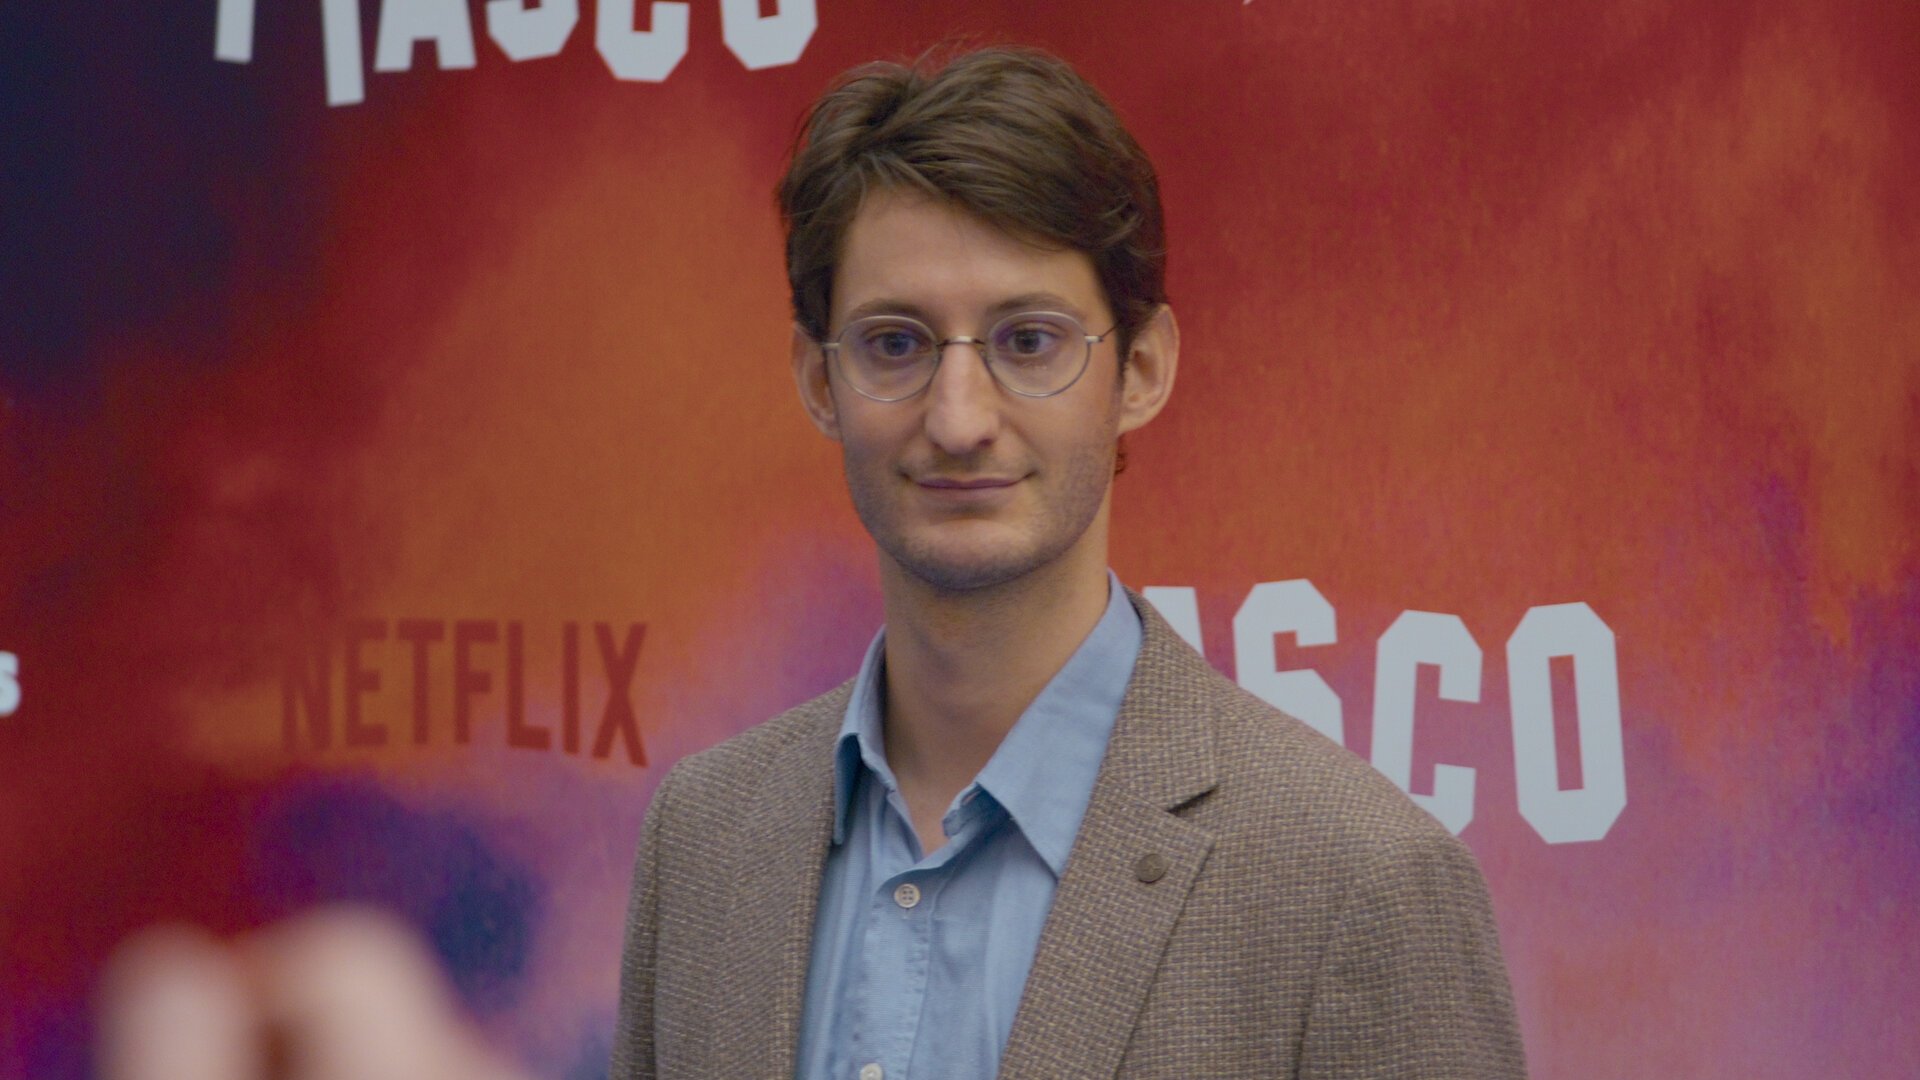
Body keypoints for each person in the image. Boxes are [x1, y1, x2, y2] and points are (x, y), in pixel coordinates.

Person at [611, 45, 1526, 1080]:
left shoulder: (1360, 884)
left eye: (1029, 342)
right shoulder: (703, 842)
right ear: (819, 381)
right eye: (896, 344)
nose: (959, 420)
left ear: (1141, 369)